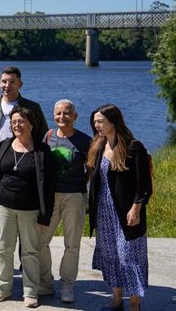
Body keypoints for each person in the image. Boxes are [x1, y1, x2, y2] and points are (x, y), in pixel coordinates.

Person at [0, 66, 48, 273]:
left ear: (20, 84)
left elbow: (43, 136)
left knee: (27, 227)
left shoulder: (32, 107)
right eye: (3, 81)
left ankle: (27, 271)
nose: (7, 85)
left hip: (25, 166)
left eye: (11, 82)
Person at [0, 105, 54, 308]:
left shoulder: (42, 150)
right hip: (5, 206)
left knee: (30, 252)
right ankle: (2, 288)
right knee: (3, 249)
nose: (17, 125)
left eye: (21, 121)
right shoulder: (5, 145)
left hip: (30, 209)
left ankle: (30, 291)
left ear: (31, 124)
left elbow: (49, 185)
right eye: (14, 122)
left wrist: (45, 216)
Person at [88, 104, 150, 311]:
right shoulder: (98, 146)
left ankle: (134, 303)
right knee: (110, 256)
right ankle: (116, 299)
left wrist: (136, 208)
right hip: (103, 211)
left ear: (113, 122)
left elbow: (144, 185)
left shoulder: (133, 147)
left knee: (129, 257)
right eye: (95, 121)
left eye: (100, 121)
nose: (96, 125)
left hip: (126, 211)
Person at [38, 99, 92, 303]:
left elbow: (91, 170)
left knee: (72, 243)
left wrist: (79, 186)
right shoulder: (48, 136)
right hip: (50, 197)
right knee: (40, 240)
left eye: (67, 113)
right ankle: (45, 282)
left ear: (75, 116)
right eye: (58, 113)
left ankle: (67, 285)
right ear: (53, 115)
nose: (62, 117)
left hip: (74, 197)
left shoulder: (85, 141)